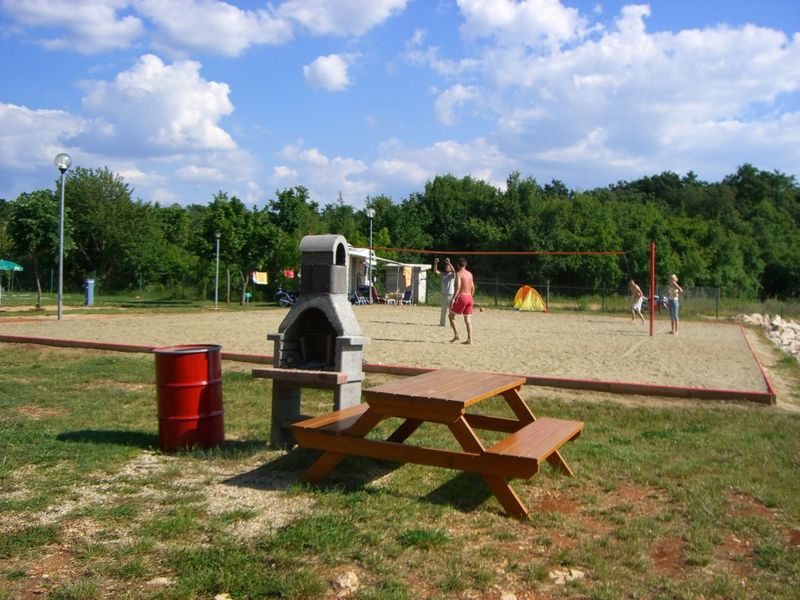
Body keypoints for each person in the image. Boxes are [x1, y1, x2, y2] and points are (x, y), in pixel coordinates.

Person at [449, 257, 475, 344]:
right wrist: (471, 297)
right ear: (465, 264)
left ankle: (456, 335)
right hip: (470, 297)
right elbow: (473, 287)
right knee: (467, 320)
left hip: (462, 297)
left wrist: (453, 299)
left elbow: (458, 288)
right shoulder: (470, 274)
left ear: (458, 265)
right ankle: (469, 339)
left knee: (451, 316)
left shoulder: (459, 274)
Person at [432, 257, 455, 326]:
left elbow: (454, 271)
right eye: (446, 267)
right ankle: (442, 323)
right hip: (444, 295)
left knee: (451, 311)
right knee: (443, 311)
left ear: (450, 269)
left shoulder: (452, 275)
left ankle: (452, 324)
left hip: (450, 295)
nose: (447, 268)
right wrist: (435, 263)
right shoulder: (443, 274)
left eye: (448, 267)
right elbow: (435, 271)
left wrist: (449, 263)